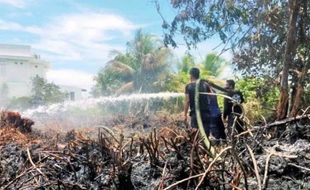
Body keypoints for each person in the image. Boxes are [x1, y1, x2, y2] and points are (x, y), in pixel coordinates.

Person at [184, 68, 212, 135]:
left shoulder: (188, 86)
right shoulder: (205, 84)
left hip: (195, 114)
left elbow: (187, 101)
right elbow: (211, 96)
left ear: (191, 75)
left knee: (195, 135)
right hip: (206, 113)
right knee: (206, 134)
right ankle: (206, 145)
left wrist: (185, 115)